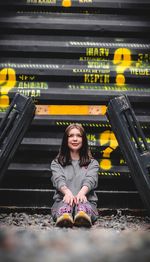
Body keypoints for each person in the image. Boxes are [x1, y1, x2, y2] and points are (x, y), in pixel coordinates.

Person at [50, 123, 99, 228]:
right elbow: (58, 179)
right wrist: (67, 193)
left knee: (83, 206)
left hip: (87, 202)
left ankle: (83, 216)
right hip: (62, 201)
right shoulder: (56, 163)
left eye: (79, 135)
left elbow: (91, 179)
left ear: (83, 140)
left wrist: (82, 193)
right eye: (71, 135)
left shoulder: (92, 163)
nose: (75, 139)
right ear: (65, 140)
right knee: (65, 206)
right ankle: (64, 216)